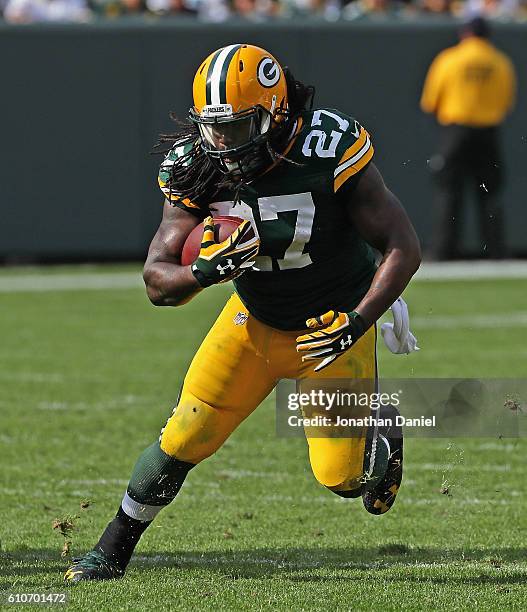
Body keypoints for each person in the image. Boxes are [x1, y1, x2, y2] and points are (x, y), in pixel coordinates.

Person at [65, 44, 421, 582]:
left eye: (239, 126)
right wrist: (203, 273)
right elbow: (157, 282)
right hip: (253, 321)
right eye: (216, 127)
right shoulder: (197, 165)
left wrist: (359, 319)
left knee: (342, 480)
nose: (225, 143)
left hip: (329, 329)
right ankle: (110, 553)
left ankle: (384, 430)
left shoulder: (326, 146)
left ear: (276, 113)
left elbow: (402, 245)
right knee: (184, 436)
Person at [420, 16, 516, 260]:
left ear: (464, 34)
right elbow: (506, 103)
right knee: (490, 192)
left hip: (456, 132)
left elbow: (430, 101)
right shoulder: (501, 62)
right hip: (488, 133)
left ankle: (443, 251)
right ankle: (496, 251)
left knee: (448, 192)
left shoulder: (449, 59)